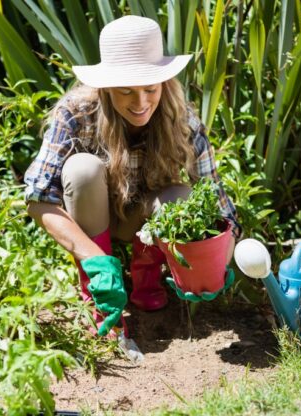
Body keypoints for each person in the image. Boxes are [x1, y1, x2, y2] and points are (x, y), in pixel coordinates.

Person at [24, 15, 240, 337]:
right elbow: (38, 200)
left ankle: (147, 279)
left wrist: (217, 258)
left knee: (183, 198)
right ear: (106, 87)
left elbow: (220, 206)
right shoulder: (76, 112)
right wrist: (95, 260)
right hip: (93, 220)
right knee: (83, 169)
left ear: (164, 83)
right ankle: (98, 289)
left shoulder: (182, 118)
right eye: (125, 91)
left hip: (143, 219)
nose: (141, 104)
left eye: (150, 89)